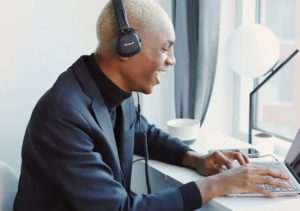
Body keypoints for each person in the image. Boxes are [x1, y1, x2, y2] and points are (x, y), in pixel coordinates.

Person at [13, 0, 289, 210]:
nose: (172, 60)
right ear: (127, 46)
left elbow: (143, 133)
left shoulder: (111, 91)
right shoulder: (63, 116)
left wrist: (195, 159)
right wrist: (219, 184)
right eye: (165, 47)